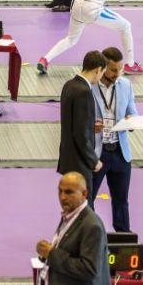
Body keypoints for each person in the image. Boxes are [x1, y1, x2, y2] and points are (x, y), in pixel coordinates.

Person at [90, 46, 138, 232]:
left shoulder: (126, 85)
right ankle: (92, 236)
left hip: (120, 152)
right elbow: (79, 118)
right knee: (88, 199)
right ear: (102, 67)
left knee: (121, 200)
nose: (117, 74)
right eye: (113, 70)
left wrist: (131, 120)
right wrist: (90, 126)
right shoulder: (90, 86)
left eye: (119, 69)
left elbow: (133, 112)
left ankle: (124, 236)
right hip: (97, 152)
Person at [35, 172, 111, 285]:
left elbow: (88, 270)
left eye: (69, 192)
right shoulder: (70, 215)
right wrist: (46, 255)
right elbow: (69, 251)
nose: (62, 197)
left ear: (84, 193)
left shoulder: (92, 226)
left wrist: (51, 254)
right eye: (60, 191)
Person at [57, 50, 105, 211]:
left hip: (68, 159)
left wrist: (90, 125)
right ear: (98, 70)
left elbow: (73, 123)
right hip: (80, 163)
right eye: (102, 73)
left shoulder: (69, 85)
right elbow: (81, 135)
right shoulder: (85, 92)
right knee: (84, 210)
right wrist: (94, 160)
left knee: (71, 209)